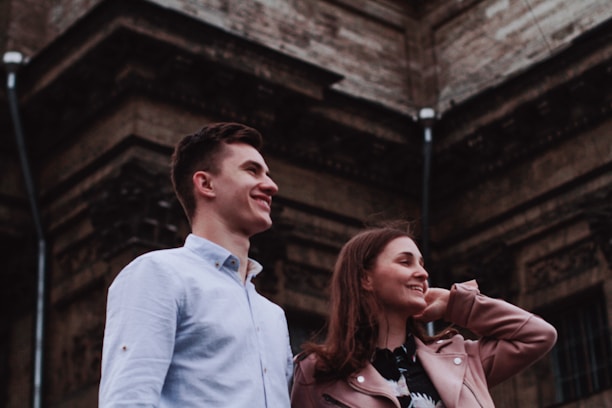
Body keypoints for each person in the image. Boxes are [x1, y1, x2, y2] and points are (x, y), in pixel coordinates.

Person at [99, 122, 293, 407]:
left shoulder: (272, 315)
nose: (271, 185)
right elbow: (128, 399)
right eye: (252, 171)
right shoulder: (159, 274)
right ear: (205, 183)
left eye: (267, 174)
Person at [291, 224, 557, 408]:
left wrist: (456, 304)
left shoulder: (460, 360)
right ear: (365, 278)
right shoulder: (317, 372)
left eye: (421, 263)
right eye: (405, 262)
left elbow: (538, 335)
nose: (422, 273)